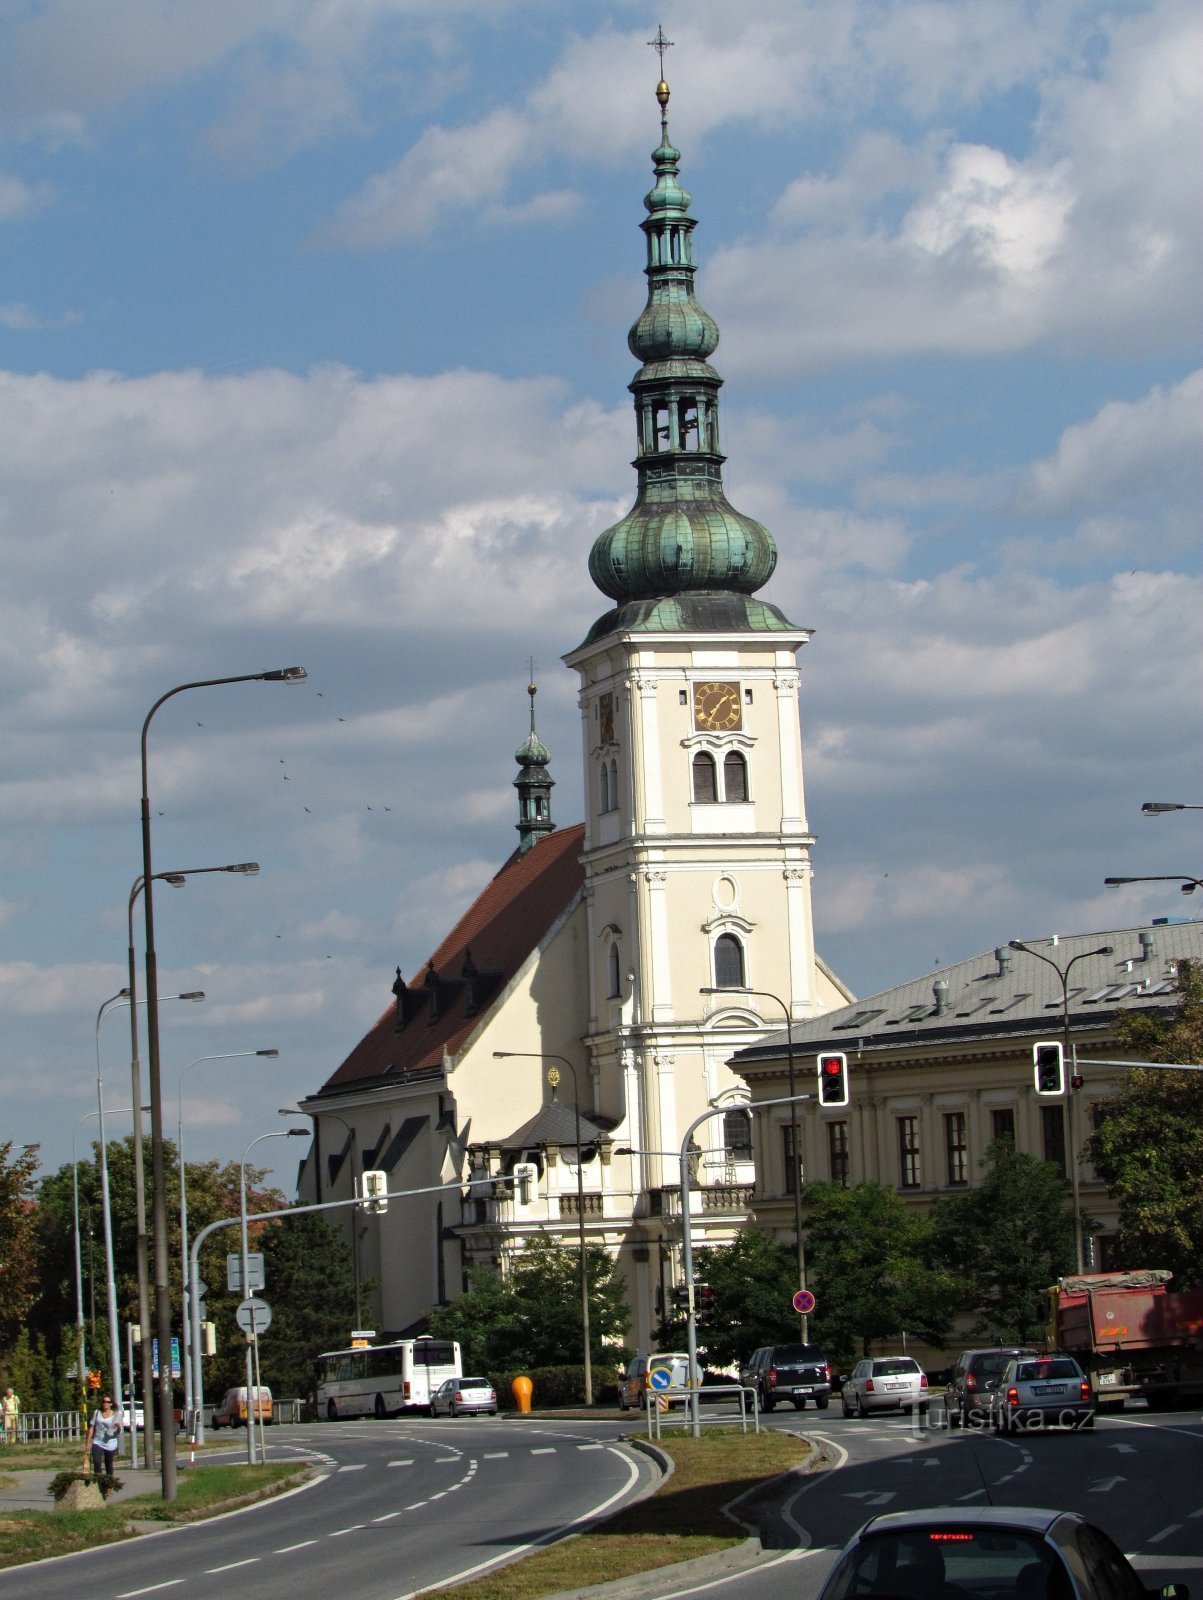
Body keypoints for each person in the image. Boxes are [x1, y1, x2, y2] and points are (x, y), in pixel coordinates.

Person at [85, 1395, 122, 1479]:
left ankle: (108, 1485)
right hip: (97, 1441)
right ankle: (98, 1481)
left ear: (111, 1404)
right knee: (97, 1462)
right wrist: (87, 1443)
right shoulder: (97, 1412)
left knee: (108, 1464)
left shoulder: (116, 1415)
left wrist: (118, 1427)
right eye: (103, 1401)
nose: (105, 1403)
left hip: (110, 1442)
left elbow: (117, 1432)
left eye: (107, 1402)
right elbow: (91, 1427)